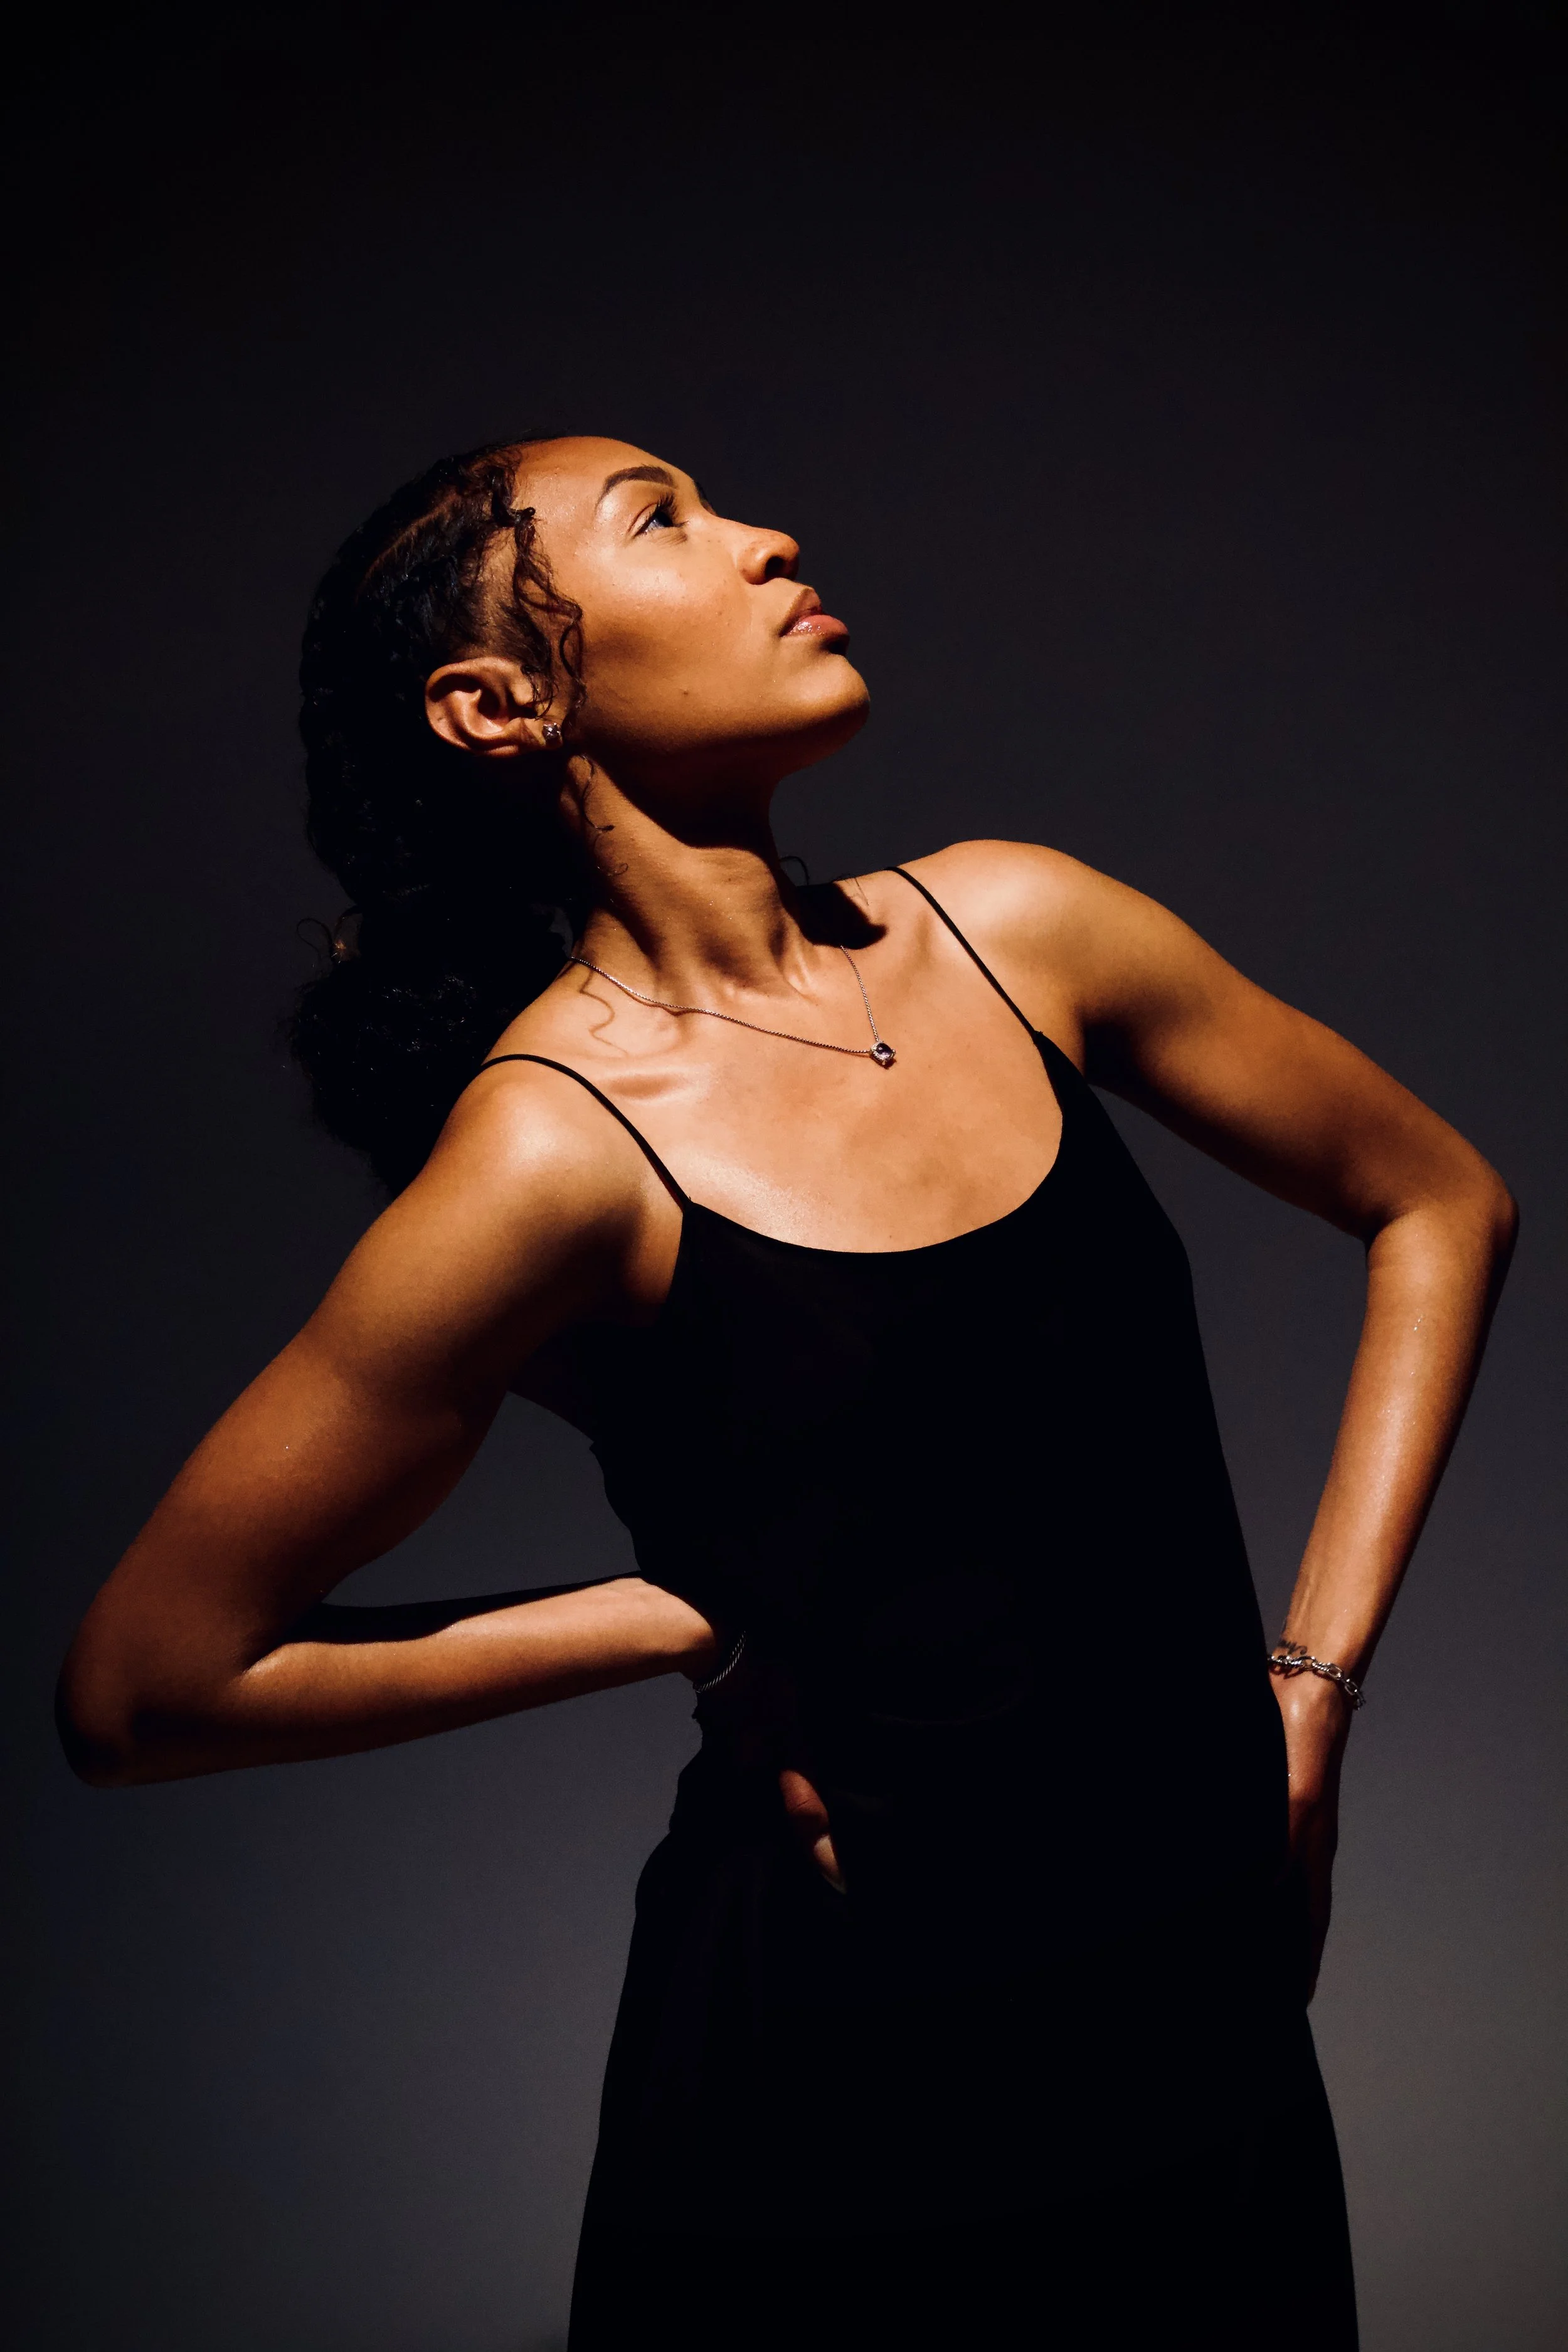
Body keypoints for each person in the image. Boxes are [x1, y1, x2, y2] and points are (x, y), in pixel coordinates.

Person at [58, 435, 1515, 2348]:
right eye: (657, 518)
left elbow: (1436, 1196)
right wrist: (674, 1617)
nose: (765, 536)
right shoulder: (551, 1151)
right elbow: (145, 1688)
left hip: (1201, 1998)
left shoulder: (1022, 928)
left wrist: (1309, 1697)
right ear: (497, 703)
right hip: (846, 2069)